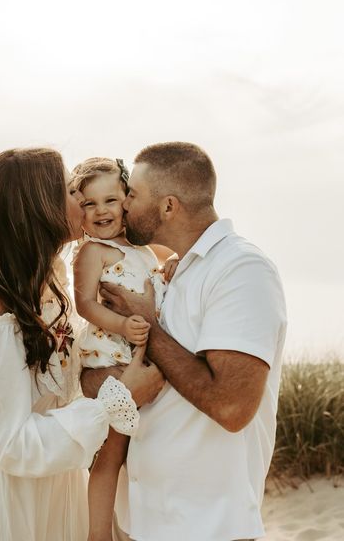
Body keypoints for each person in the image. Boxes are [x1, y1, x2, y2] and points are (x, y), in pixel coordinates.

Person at [0, 148, 164, 541]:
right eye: (69, 191)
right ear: (39, 205)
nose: (81, 200)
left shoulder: (51, 275)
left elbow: (55, 385)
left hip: (52, 473)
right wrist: (119, 398)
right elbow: (12, 443)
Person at [84, 142, 287, 541]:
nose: (124, 205)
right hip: (143, 521)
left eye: (134, 195)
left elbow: (231, 406)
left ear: (168, 206)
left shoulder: (242, 270)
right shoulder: (172, 271)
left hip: (206, 526)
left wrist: (143, 321)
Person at [70, 158, 168, 541]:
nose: (101, 211)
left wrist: (172, 266)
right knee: (111, 452)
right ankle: (98, 535)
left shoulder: (144, 250)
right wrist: (121, 324)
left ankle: (127, 528)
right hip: (110, 354)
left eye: (110, 200)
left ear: (128, 200)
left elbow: (161, 275)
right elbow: (85, 304)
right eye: (89, 204)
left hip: (142, 354)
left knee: (135, 454)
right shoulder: (92, 252)